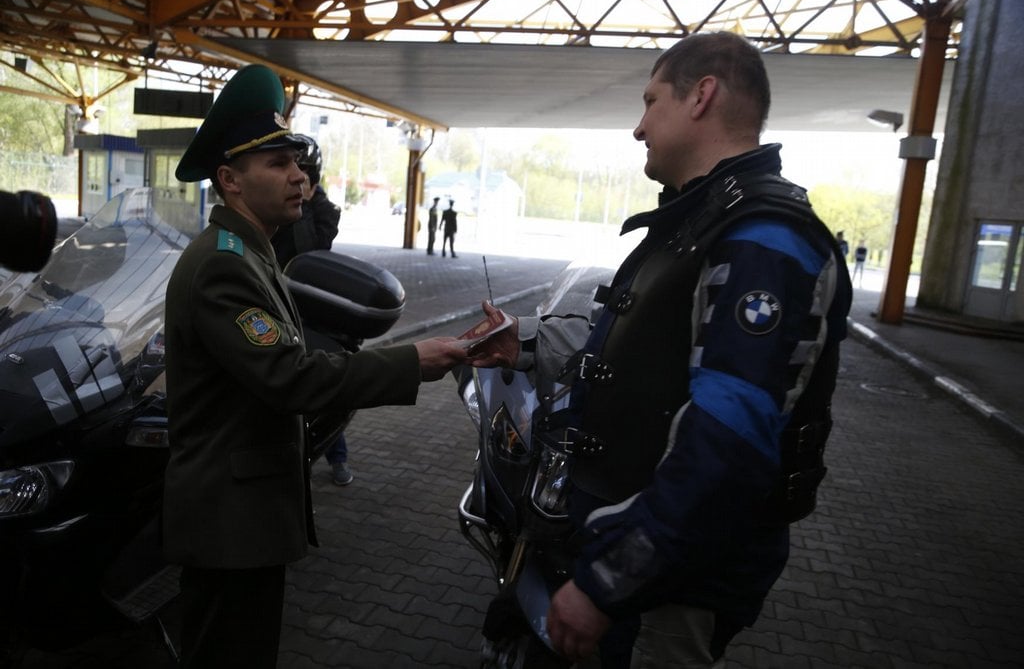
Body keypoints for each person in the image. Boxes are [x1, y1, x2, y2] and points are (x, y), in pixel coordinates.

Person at [470, 32, 852, 668]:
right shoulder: (701, 221)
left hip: (668, 581)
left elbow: (726, 444)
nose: (639, 127)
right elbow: (638, 351)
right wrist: (527, 342)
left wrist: (606, 582)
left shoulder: (763, 239)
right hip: (628, 545)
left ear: (701, 96)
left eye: (651, 102)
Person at [164, 64, 467, 669]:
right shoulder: (226, 264)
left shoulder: (251, 253)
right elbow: (291, 377)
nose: (299, 177)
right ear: (230, 180)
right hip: (230, 523)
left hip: (242, 517)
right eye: (278, 164)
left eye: (298, 163)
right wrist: (412, 361)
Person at [270, 134, 354, 487]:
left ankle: (337, 457)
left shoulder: (324, 211)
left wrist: (301, 208)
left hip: (309, 311)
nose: (295, 176)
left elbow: (311, 251)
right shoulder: (273, 209)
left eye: (300, 169)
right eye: (287, 167)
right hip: (274, 305)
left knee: (319, 389)